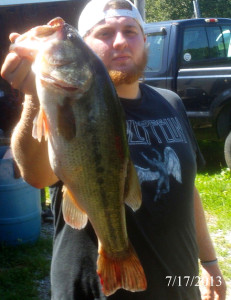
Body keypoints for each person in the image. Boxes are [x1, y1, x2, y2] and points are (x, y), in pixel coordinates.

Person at [1, 0, 227, 299]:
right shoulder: (63, 102)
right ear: (87, 46)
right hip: (93, 290)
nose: (120, 42)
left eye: (130, 31)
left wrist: (209, 262)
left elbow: (187, 188)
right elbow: (35, 175)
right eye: (105, 33)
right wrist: (35, 96)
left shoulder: (171, 102)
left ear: (145, 40)